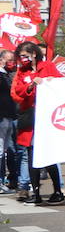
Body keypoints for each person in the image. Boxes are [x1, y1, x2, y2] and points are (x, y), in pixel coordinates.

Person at [10, 41, 65, 203]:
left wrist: (48, 81)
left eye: (25, 55)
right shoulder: (22, 72)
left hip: (47, 117)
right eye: (20, 56)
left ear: (34, 54)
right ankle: (36, 194)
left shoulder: (47, 66)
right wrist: (30, 85)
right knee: (31, 154)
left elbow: (61, 84)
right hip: (30, 117)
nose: (22, 59)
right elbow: (18, 92)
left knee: (46, 155)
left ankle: (57, 191)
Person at [0, 50, 19, 192]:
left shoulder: (7, 75)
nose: (10, 62)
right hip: (2, 117)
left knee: (4, 150)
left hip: (9, 116)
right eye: (8, 60)